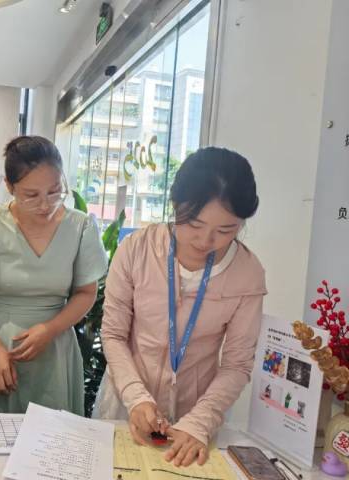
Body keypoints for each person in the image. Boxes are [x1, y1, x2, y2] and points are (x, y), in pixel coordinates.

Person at [98, 147, 267, 466]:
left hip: (197, 414)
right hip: (127, 402)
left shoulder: (248, 273)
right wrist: (135, 397)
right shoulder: (136, 250)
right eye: (194, 223)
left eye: (225, 230)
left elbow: (236, 364)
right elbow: (114, 335)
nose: (205, 241)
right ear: (175, 205)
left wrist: (200, 422)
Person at [0, 135, 108, 415]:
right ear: (9, 186)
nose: (45, 204)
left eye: (55, 191)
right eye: (31, 195)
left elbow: (86, 293)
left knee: (51, 436)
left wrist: (50, 329)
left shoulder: (80, 227)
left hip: (55, 350)